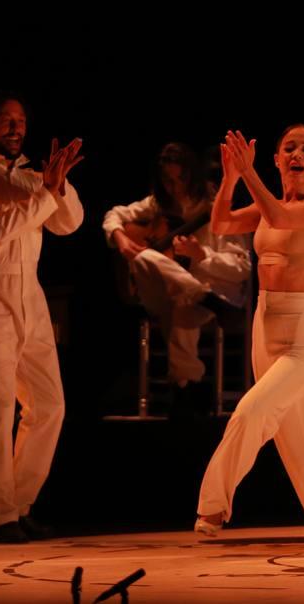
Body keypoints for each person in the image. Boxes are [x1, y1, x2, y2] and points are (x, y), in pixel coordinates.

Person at [195, 125, 304, 550]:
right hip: (264, 328)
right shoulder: (267, 204)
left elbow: (278, 217)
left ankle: (213, 504)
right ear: (277, 160)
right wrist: (232, 176)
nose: (297, 153)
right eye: (288, 147)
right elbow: (219, 222)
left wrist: (250, 173)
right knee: (298, 441)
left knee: (252, 411)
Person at [0, 90, 84, 543]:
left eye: (21, 120)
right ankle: (1, 514)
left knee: (48, 405)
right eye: (5, 121)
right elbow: (2, 228)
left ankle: (19, 502)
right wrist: (45, 190)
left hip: (31, 291)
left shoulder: (33, 177)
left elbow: (69, 224)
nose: (16, 128)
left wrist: (56, 186)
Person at [103, 143, 251, 413]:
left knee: (182, 304)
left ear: (192, 175)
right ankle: (197, 294)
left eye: (180, 179)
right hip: (184, 295)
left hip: (217, 292)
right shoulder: (158, 204)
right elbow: (113, 215)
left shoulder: (218, 206)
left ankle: (184, 387)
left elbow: (242, 267)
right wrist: (120, 237)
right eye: (167, 181)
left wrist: (201, 254)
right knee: (142, 256)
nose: (175, 187)